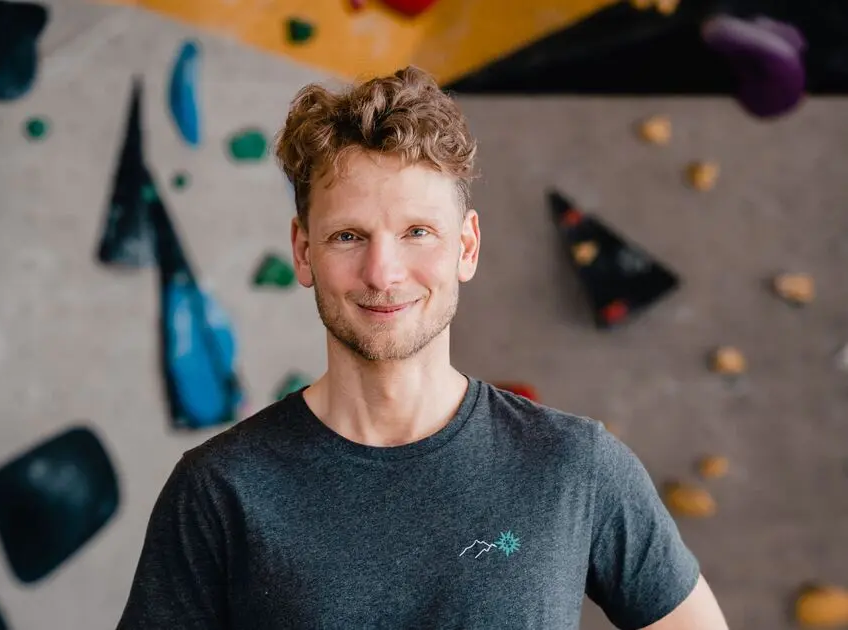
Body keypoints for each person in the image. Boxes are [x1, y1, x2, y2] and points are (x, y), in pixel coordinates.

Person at [115, 66, 730, 630]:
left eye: (417, 232)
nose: (383, 272)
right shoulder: (220, 489)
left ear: (466, 246)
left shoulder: (574, 466)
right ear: (303, 252)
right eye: (349, 235)